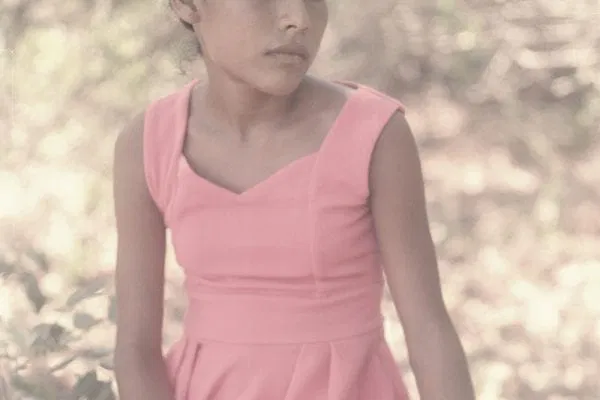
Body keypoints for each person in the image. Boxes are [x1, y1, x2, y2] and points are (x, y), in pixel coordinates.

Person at [112, 0, 476, 399]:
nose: (298, 19)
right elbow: (135, 349)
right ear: (186, 5)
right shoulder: (148, 144)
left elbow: (427, 328)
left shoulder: (373, 134)